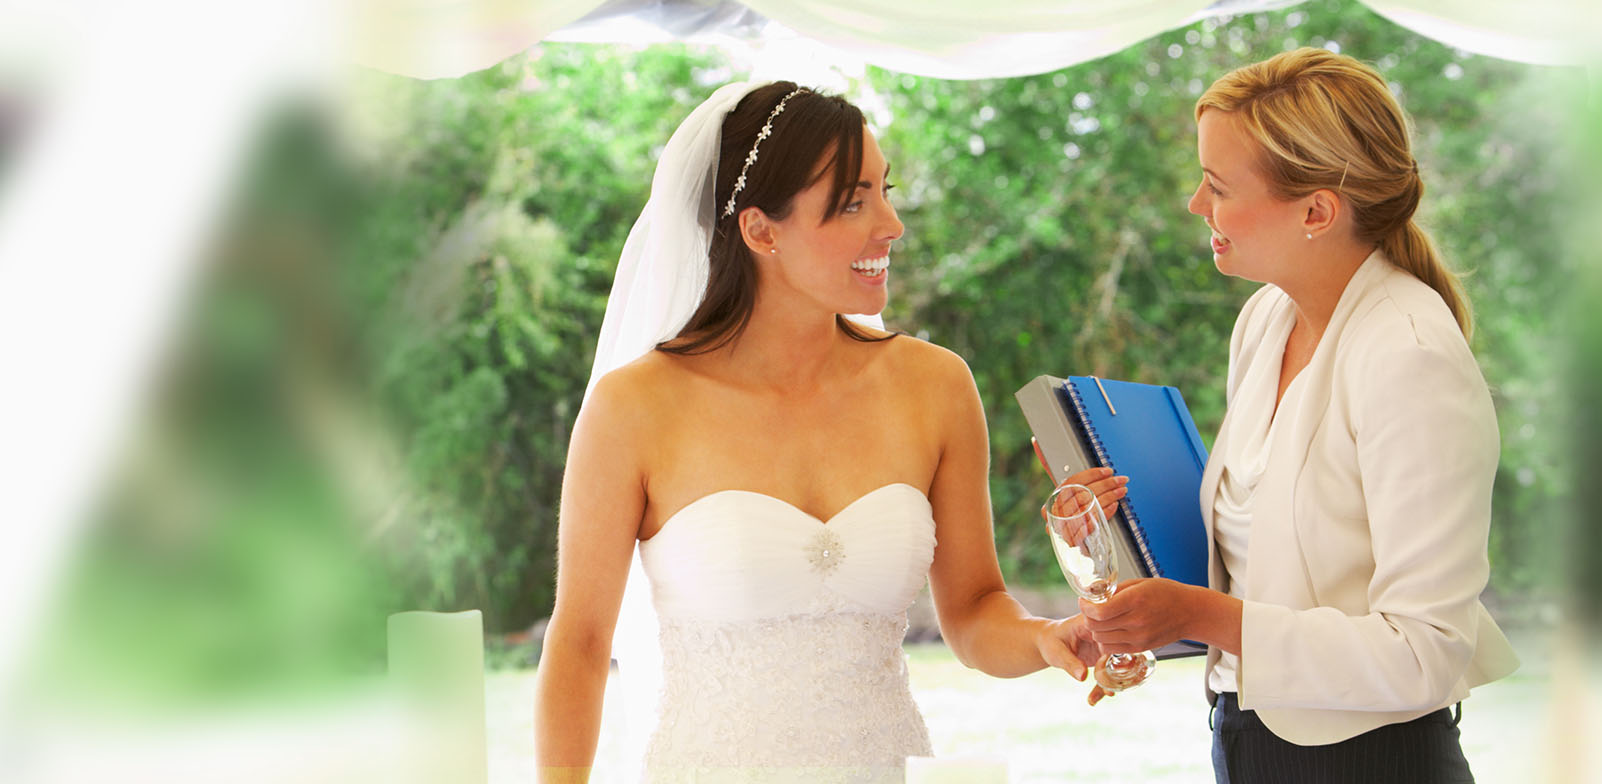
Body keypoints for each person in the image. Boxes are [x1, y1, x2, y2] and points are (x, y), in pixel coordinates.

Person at [533, 80, 1119, 784]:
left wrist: (1045, 637)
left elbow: (972, 609)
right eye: (852, 202)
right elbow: (581, 644)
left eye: (884, 189)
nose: (891, 223)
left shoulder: (935, 386)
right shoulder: (634, 407)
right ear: (760, 230)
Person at [1075, 48, 1520, 783]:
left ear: (1317, 210)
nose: (1195, 204)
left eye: (1217, 185)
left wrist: (1194, 615)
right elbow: (1266, 561)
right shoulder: (1266, 319)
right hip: (1246, 742)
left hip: (1373, 764)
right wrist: (1116, 541)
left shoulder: (1410, 357)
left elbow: (1425, 651)